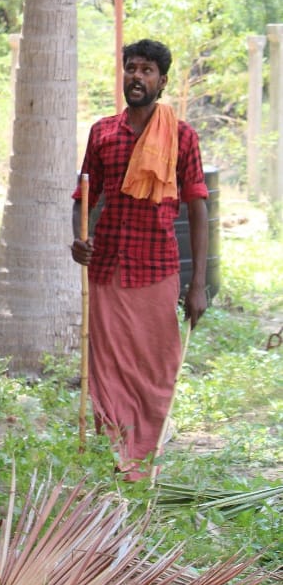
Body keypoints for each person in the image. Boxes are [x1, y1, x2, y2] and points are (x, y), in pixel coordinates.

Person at [70, 38, 208, 481]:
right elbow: (83, 198)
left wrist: (198, 283)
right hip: (107, 266)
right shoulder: (102, 132)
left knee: (155, 368)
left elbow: (198, 207)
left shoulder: (183, 136)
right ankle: (116, 455)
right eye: (131, 68)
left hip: (157, 268)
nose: (137, 77)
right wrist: (79, 237)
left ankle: (144, 455)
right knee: (106, 367)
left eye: (147, 71)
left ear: (161, 82)